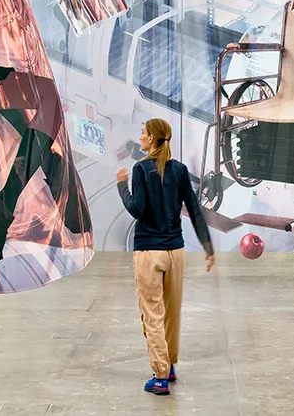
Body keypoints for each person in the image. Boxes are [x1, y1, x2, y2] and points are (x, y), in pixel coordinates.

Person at [117, 118, 216, 396]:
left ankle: (160, 377)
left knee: (153, 315)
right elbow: (196, 211)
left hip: (149, 253)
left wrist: (122, 186)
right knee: (172, 314)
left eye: (143, 133)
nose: (140, 136)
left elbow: (137, 209)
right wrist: (208, 248)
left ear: (151, 138)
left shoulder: (140, 169)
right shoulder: (180, 171)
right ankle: (169, 365)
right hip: (176, 252)